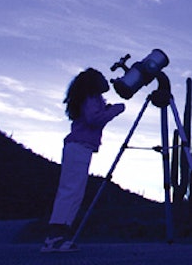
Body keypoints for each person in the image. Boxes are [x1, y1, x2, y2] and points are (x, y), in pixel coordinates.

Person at [41, 68, 125, 253]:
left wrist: (108, 109)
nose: (106, 81)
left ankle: (60, 236)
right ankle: (53, 237)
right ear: (94, 82)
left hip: (82, 148)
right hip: (78, 147)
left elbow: (94, 116)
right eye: (102, 78)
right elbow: (93, 119)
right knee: (70, 191)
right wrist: (116, 110)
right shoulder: (90, 98)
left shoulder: (92, 99)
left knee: (75, 193)